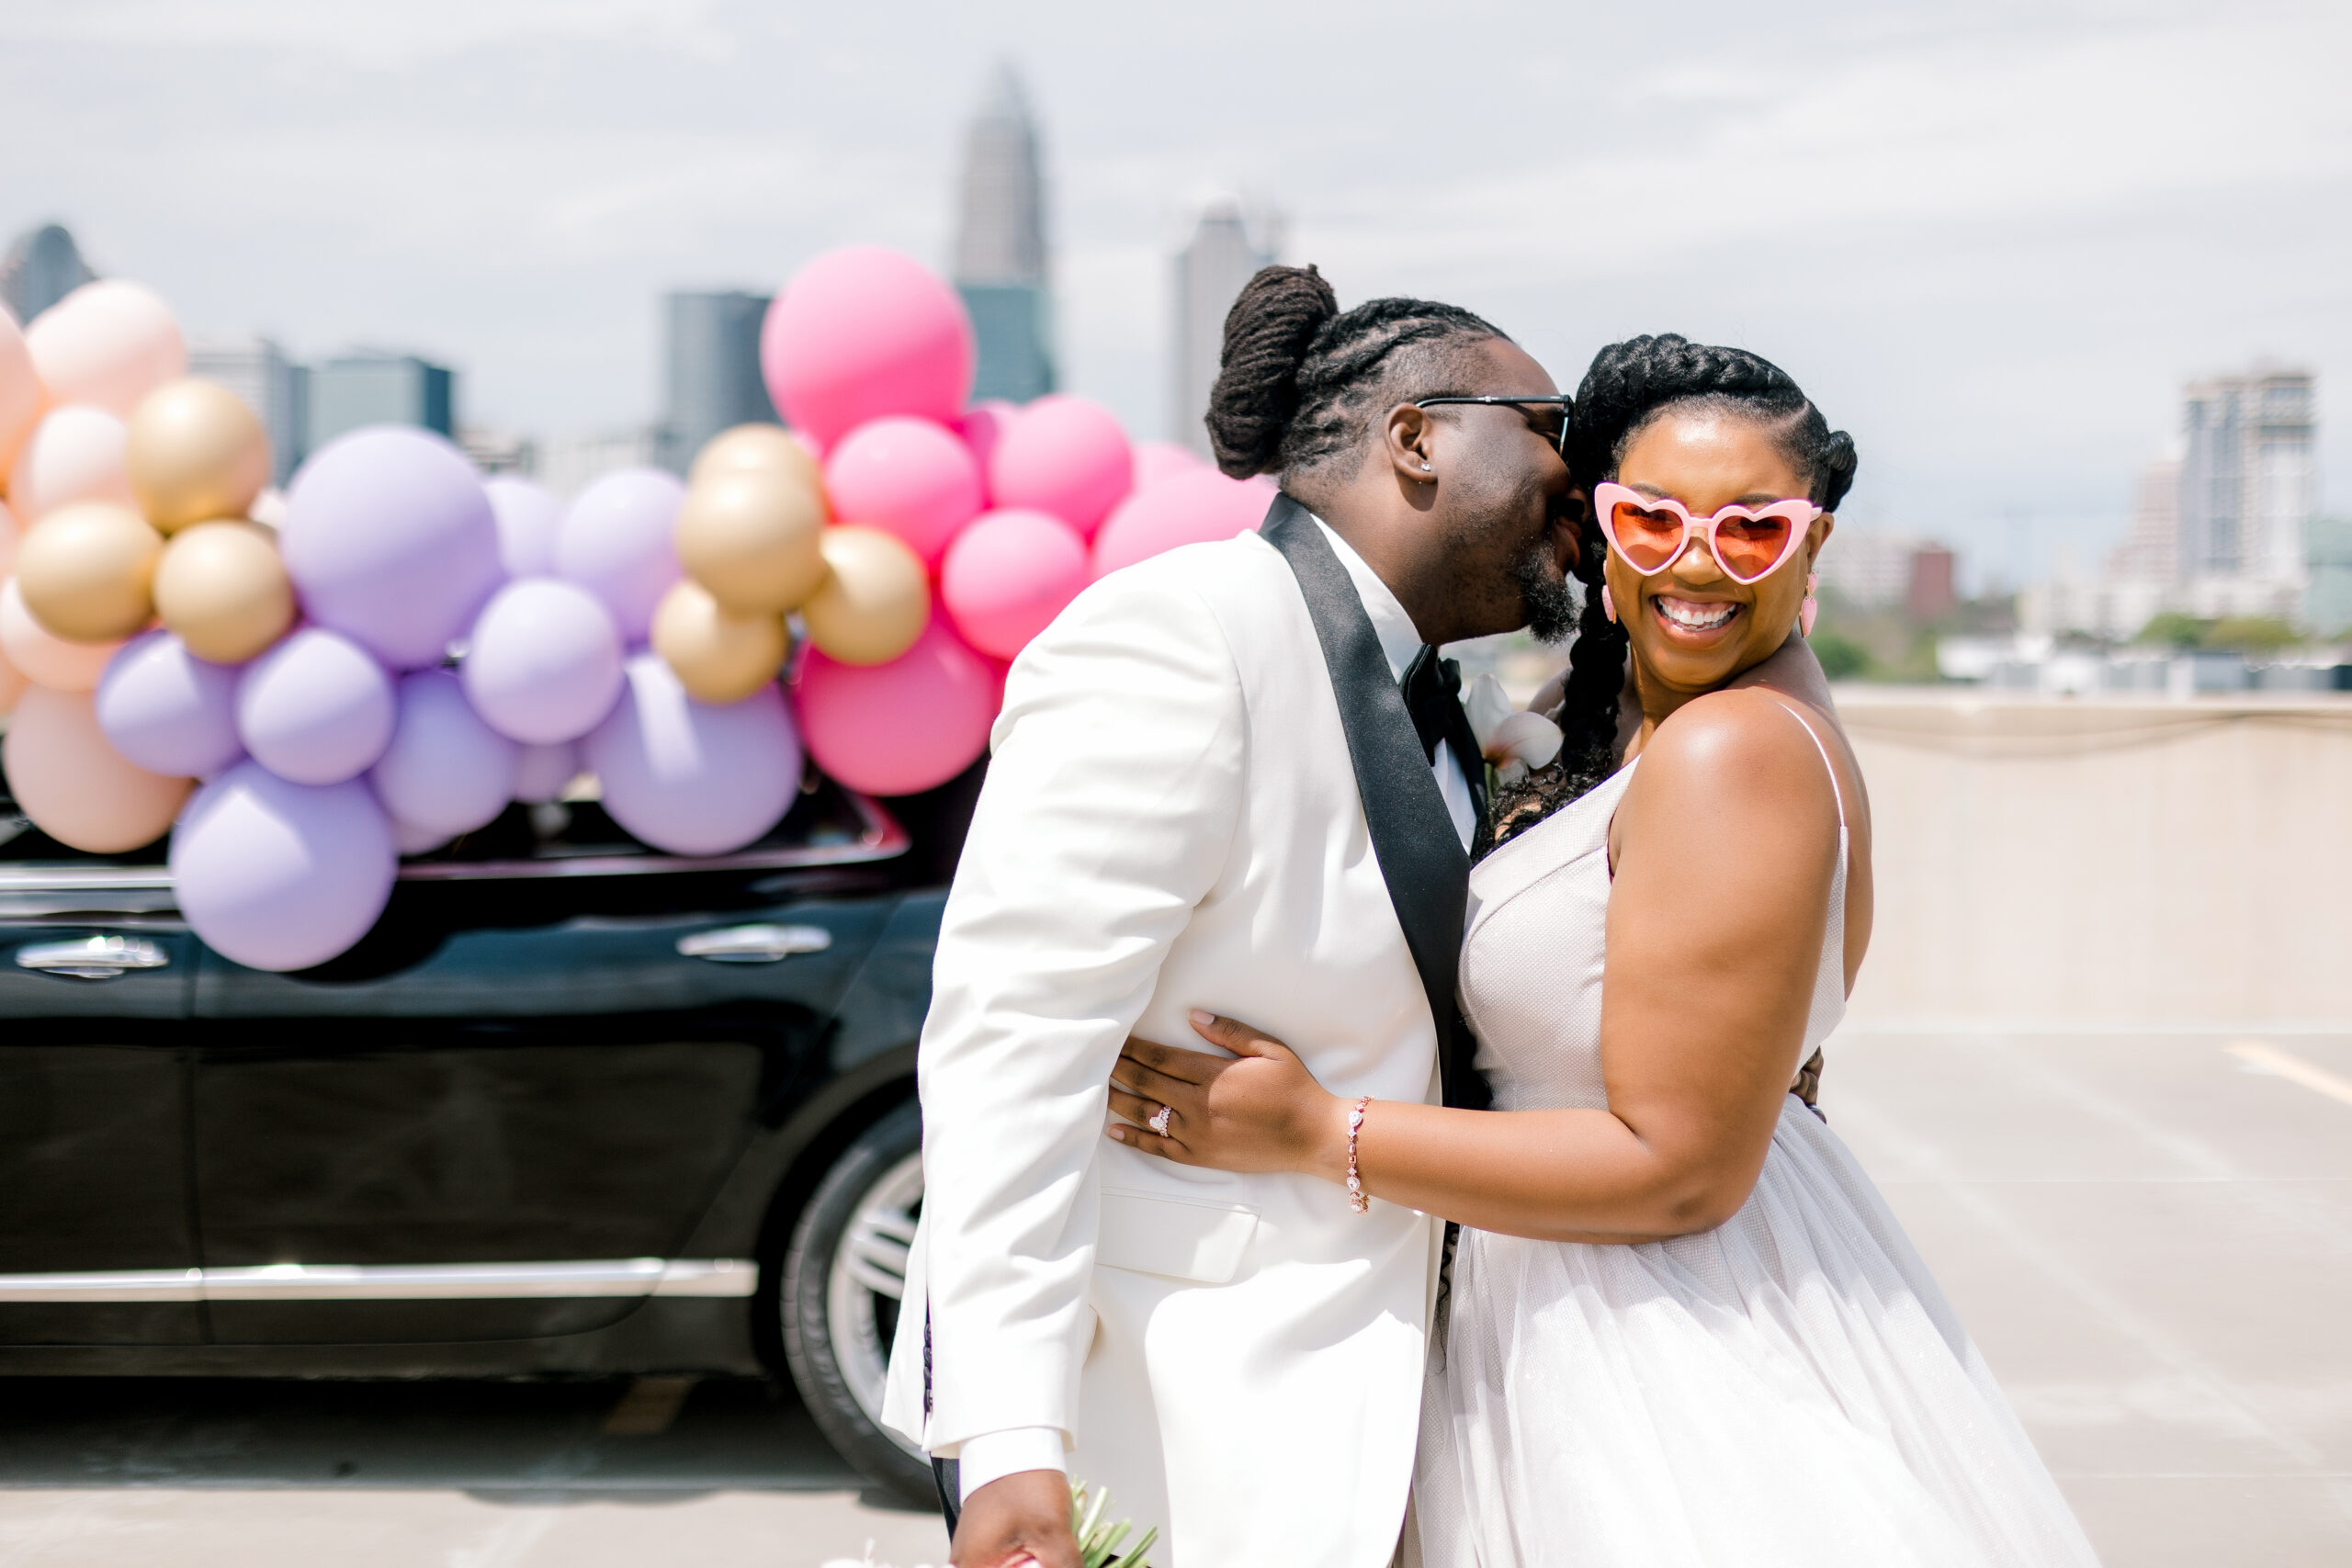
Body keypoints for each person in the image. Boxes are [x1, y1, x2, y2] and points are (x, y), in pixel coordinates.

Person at [1107, 336, 2103, 1567]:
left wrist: (1322, 1132)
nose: (1696, 561)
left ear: (1814, 545)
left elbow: (1678, 1167)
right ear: (1602, 527)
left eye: (1750, 530)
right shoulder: (1672, 723)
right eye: (1653, 520)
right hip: (1600, 1298)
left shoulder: (1731, 754)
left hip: (1657, 1344)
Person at [879, 265, 1583, 1568]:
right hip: (1178, 1424)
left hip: (1382, 1419)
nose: (1575, 471)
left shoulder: (1435, 698)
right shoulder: (1180, 636)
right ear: (1416, 439)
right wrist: (1011, 1444)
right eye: (1548, 422)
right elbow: (1012, 1052)